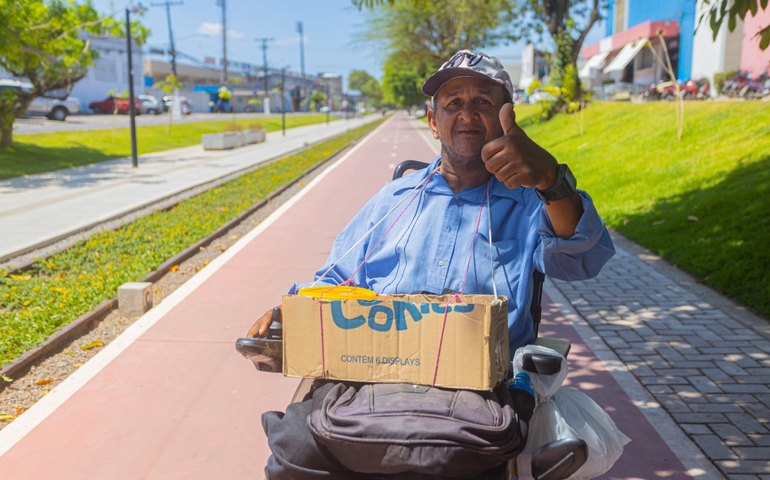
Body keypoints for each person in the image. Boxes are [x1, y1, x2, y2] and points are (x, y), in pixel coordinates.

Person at [250, 49, 616, 479]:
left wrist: (551, 181)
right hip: (373, 374)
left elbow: (583, 259)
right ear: (432, 121)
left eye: (483, 101)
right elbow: (335, 280)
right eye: (453, 104)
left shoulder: (530, 203)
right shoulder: (393, 201)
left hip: (481, 387)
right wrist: (287, 313)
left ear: (507, 118)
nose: (467, 114)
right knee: (292, 455)